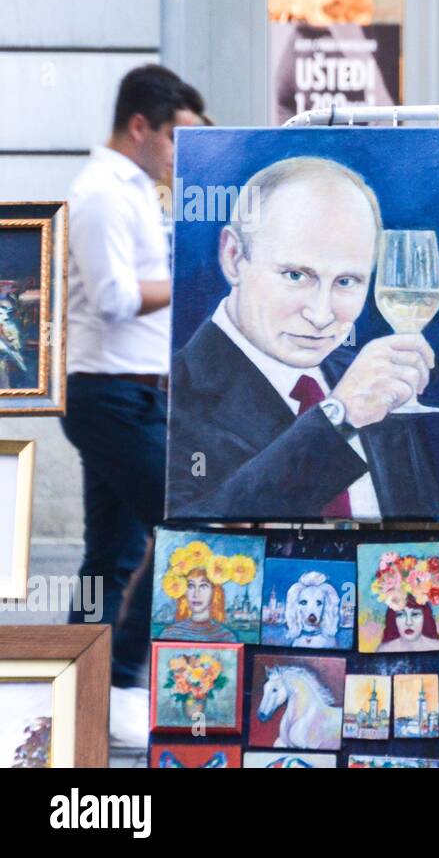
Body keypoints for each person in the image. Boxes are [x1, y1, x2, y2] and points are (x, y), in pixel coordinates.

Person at [165, 156, 439, 521]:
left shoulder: (372, 384)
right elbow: (193, 540)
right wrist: (337, 417)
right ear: (233, 257)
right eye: (296, 275)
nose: (322, 314)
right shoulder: (175, 389)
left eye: (346, 282)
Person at [62, 64, 205, 748]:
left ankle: (71, 686)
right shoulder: (101, 194)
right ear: (140, 126)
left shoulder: (138, 193)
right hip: (107, 394)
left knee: (109, 555)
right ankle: (122, 678)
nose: (181, 155)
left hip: (131, 391)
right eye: (176, 138)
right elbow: (117, 297)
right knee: (183, 518)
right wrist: (188, 278)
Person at [369, 551, 439, 653]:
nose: (408, 622)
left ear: (425, 617)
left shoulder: (437, 648)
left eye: (415, 614)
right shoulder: (384, 649)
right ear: (393, 618)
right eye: (401, 615)